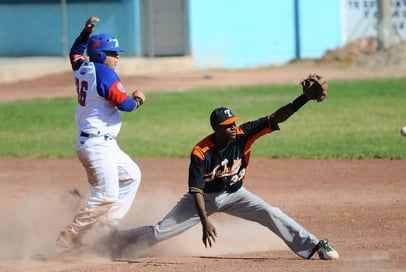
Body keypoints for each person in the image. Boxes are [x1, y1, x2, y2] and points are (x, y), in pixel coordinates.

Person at [114, 83, 339, 260]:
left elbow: (276, 117)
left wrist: (304, 99)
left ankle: (315, 246)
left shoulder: (243, 134)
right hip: (203, 199)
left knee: (271, 212)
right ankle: (119, 241)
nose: (233, 128)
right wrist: (204, 222)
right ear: (217, 129)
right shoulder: (201, 152)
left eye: (233, 123)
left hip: (235, 194)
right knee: (159, 233)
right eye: (228, 125)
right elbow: (196, 192)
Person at [56, 16, 146, 250]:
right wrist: (138, 99)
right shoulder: (105, 74)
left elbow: (75, 52)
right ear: (99, 54)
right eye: (112, 52)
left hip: (97, 143)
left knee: (131, 175)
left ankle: (106, 227)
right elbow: (124, 104)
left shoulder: (82, 67)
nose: (117, 57)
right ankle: (69, 238)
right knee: (106, 196)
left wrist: (85, 34)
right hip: (97, 145)